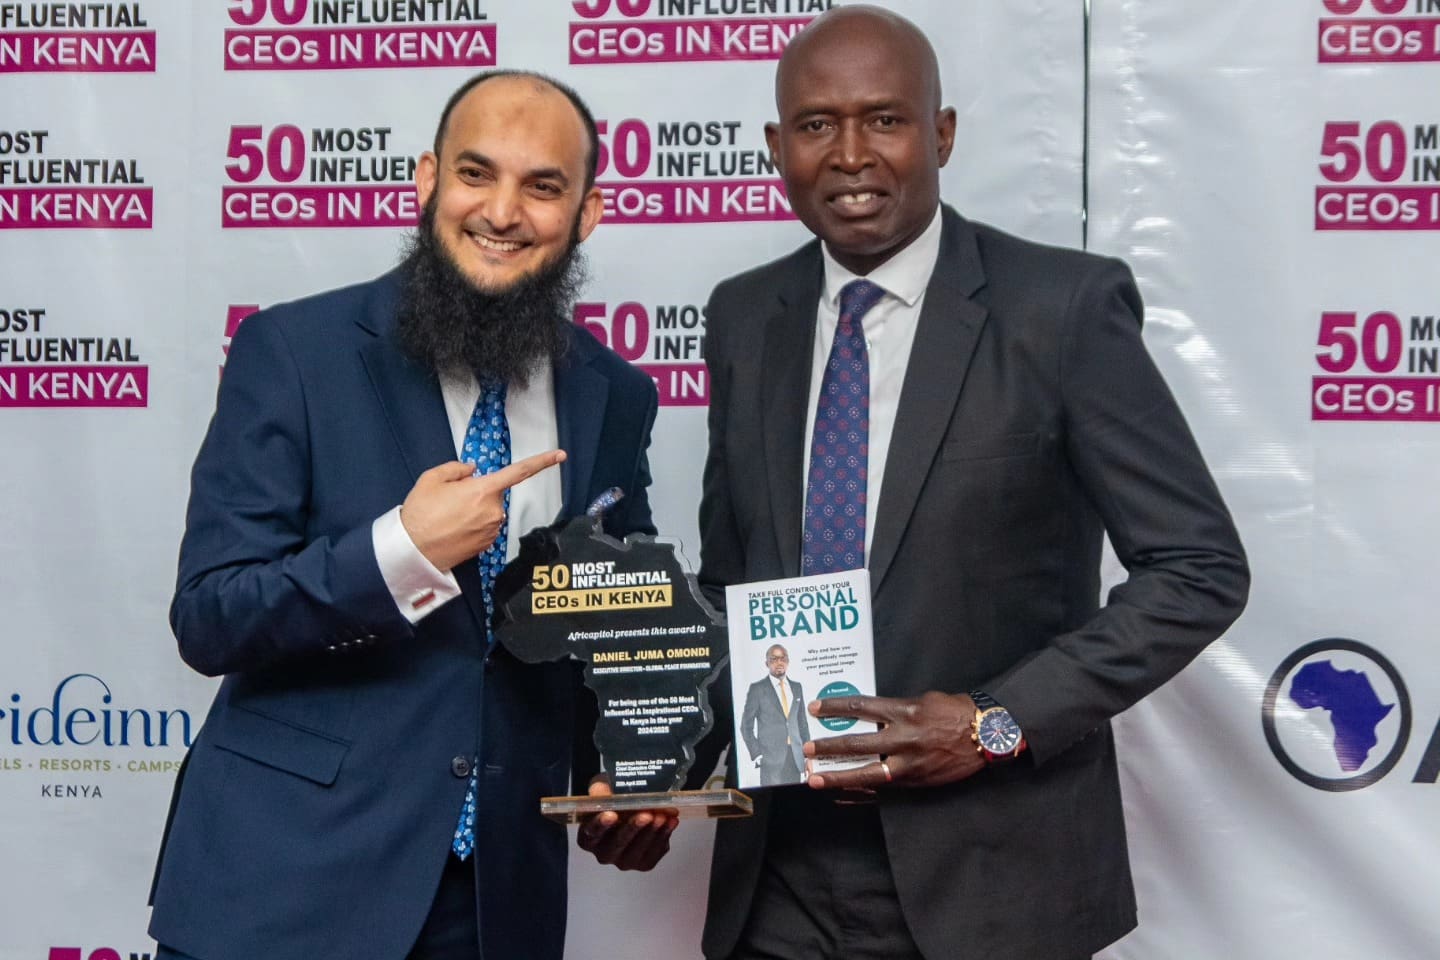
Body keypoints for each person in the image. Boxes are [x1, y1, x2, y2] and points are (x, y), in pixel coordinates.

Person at [693, 7, 1250, 960]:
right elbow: (729, 581)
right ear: (777, 147)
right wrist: (647, 760)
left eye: (886, 119)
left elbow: (1198, 569)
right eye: (818, 125)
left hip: (995, 879)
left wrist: (994, 725)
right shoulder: (746, 318)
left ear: (941, 133)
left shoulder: (1062, 309)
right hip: (780, 881)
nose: (851, 153)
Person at [149, 71, 675, 960]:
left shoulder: (614, 395)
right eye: (477, 174)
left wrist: (637, 766)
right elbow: (210, 615)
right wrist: (401, 551)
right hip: (286, 893)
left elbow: (615, 623)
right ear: (427, 180)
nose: (502, 212)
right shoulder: (296, 351)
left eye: (543, 186)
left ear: (586, 214)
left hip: (497, 909)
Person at [740, 644, 810, 785]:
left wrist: (808, 756)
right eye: (774, 659)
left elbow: (802, 723)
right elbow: (745, 726)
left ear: (788, 661)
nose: (779, 662)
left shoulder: (797, 687)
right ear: (767, 663)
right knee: (773, 803)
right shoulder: (757, 689)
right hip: (770, 760)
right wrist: (757, 754)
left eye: (783, 658)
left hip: (796, 757)